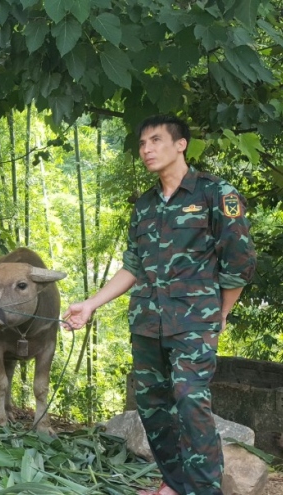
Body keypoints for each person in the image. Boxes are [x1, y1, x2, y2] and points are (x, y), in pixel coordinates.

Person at [63, 115, 256, 495]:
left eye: (155, 141)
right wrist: (90, 305)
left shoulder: (216, 194)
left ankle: (203, 490)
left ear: (180, 144)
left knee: (189, 401)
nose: (146, 149)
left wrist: (221, 315)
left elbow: (240, 264)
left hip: (194, 324)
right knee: (152, 407)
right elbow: (133, 266)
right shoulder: (146, 206)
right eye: (142, 144)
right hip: (148, 323)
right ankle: (175, 482)